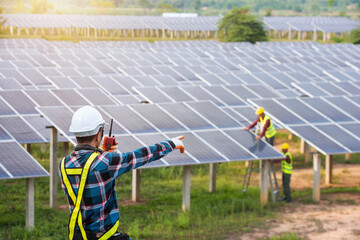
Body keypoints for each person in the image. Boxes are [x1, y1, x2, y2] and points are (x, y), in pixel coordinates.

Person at [58, 106, 185, 240]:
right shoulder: (105, 162)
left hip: (80, 236)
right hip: (105, 236)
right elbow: (139, 156)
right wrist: (171, 144)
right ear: (98, 134)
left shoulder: (63, 164)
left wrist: (102, 152)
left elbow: (87, 168)